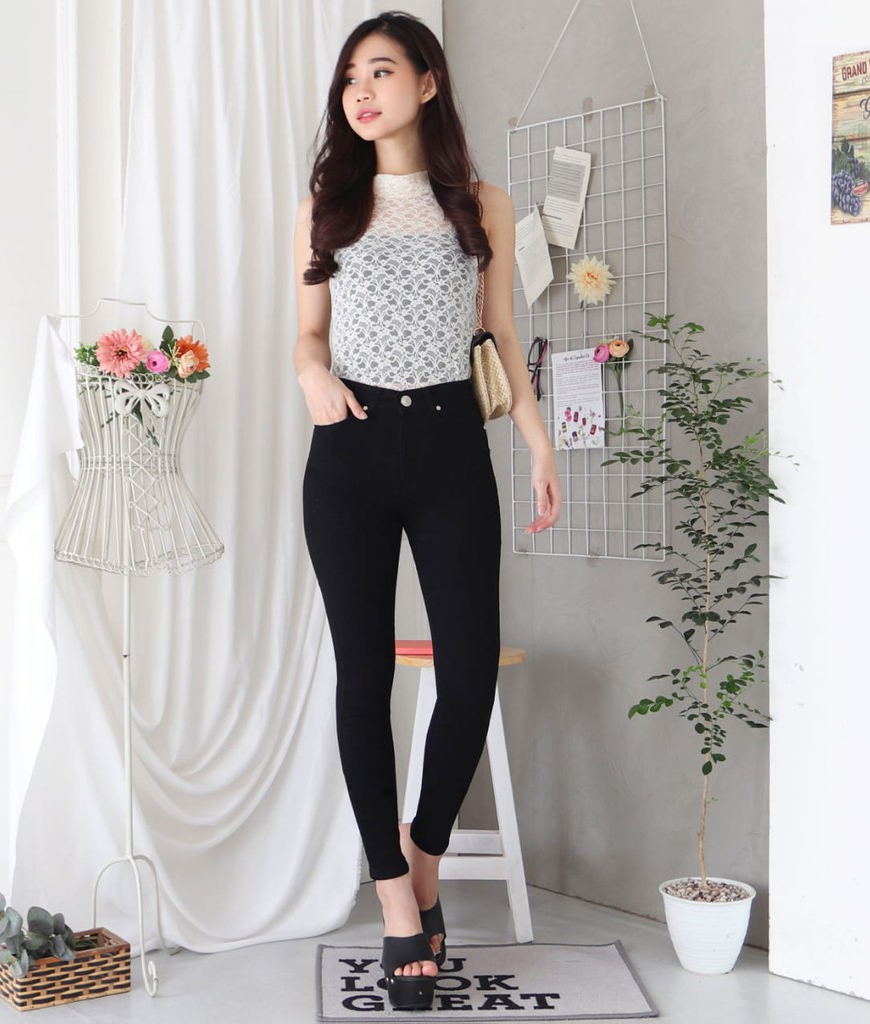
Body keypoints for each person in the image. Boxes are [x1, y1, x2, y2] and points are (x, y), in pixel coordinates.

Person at [293, 10, 561, 1011]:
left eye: (380, 72)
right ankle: (394, 899)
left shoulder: (482, 203)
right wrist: (311, 375)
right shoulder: (329, 202)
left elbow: (498, 335)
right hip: (350, 451)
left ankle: (425, 856)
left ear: (428, 81)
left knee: (469, 669)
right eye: (350, 78)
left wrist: (537, 443)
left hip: (452, 445)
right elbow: (306, 334)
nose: (361, 93)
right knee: (363, 678)